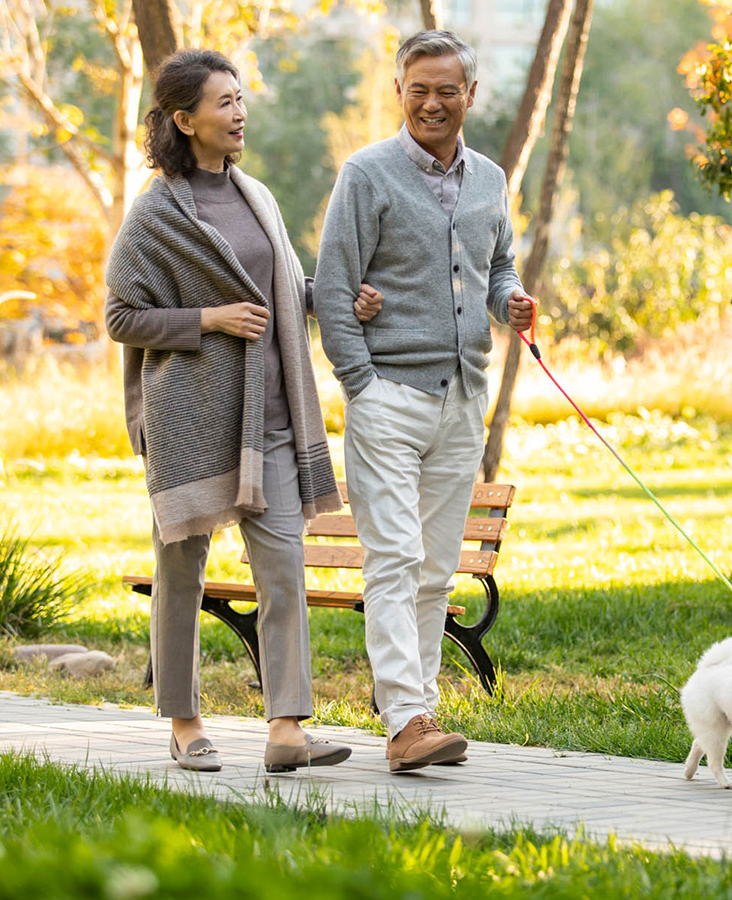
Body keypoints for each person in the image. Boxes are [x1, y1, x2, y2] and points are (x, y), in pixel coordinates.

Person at [105, 49, 380, 773]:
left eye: (239, 99)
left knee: (283, 567)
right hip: (191, 422)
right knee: (181, 572)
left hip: (274, 420)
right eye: (223, 102)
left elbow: (281, 291)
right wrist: (210, 319)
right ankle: (185, 721)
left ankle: (287, 728)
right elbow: (121, 316)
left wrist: (337, 296)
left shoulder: (257, 196)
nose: (238, 112)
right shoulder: (157, 212)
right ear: (183, 118)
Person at [314, 30, 534, 773]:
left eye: (447, 90)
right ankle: (405, 719)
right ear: (400, 92)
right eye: (419, 89)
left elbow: (497, 263)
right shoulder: (366, 174)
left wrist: (511, 300)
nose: (432, 102)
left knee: (437, 568)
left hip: (463, 397)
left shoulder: (490, 179)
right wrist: (361, 384)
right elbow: (334, 287)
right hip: (389, 396)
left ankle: (420, 713)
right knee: (395, 558)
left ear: (471, 95)